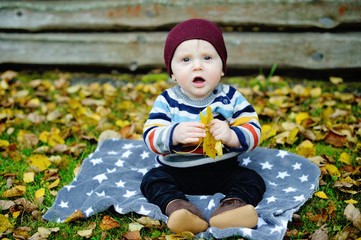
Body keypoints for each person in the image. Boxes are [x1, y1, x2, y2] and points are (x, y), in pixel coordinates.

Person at [141, 19, 265, 234]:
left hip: (224, 168)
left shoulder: (231, 98)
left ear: (222, 67)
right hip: (177, 169)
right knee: (152, 180)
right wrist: (174, 134)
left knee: (252, 179)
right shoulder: (167, 100)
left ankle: (232, 207)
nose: (197, 66)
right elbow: (151, 135)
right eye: (185, 59)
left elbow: (253, 130)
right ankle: (178, 208)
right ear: (171, 72)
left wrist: (231, 135)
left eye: (208, 58)